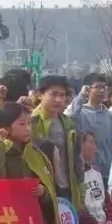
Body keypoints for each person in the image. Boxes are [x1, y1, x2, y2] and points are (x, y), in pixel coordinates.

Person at [32, 75, 83, 209]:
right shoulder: (31, 122)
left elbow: (76, 160)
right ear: (39, 95)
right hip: (43, 189)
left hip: (67, 187)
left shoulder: (68, 123)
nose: (59, 99)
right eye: (53, 94)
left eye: (62, 95)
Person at [68, 73, 112, 177]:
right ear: (88, 89)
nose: (102, 91)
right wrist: (81, 96)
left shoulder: (109, 115)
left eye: (104, 87)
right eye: (98, 87)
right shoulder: (81, 113)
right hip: (87, 173)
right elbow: (71, 118)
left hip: (107, 172)